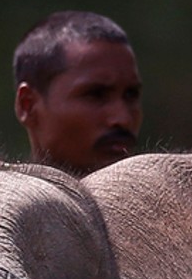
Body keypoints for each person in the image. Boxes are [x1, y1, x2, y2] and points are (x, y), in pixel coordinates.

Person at [12, 10, 143, 177]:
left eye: (131, 95)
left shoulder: (169, 201)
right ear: (28, 105)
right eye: (96, 94)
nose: (123, 119)